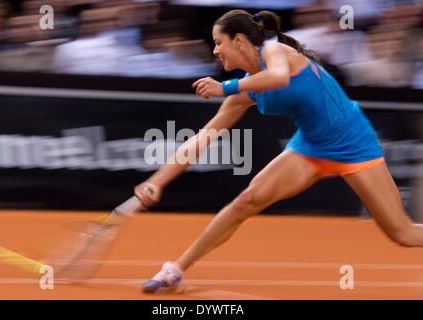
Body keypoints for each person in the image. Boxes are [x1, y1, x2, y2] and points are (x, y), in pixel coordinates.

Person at [130, 10, 422, 293]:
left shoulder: (275, 52)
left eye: (219, 42)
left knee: (403, 234)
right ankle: (175, 270)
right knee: (246, 201)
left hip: (353, 143)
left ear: (240, 41)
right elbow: (203, 138)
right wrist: (158, 180)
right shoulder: (243, 92)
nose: (216, 51)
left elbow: (279, 78)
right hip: (310, 146)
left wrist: (225, 87)